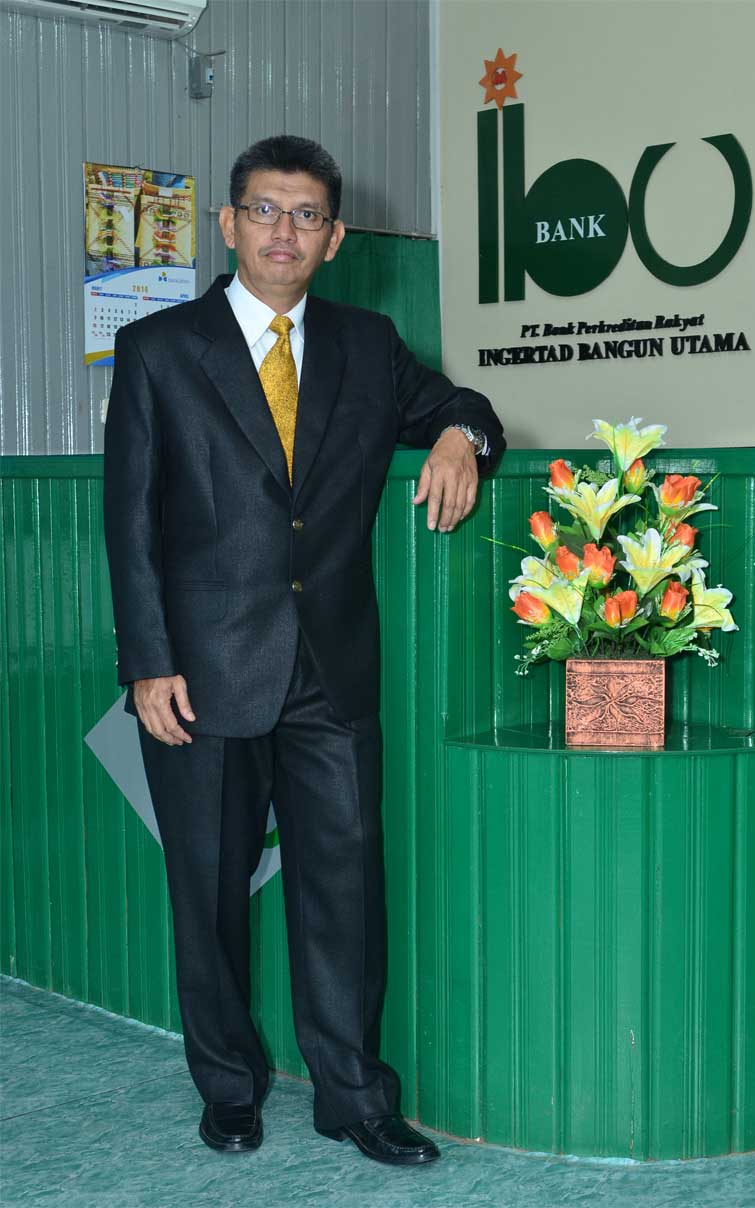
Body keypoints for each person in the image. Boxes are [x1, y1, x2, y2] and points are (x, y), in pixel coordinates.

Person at [103, 135, 505, 1166]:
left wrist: (458, 437)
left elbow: (463, 407)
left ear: (334, 238)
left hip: (331, 671)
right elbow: (131, 520)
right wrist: (147, 662)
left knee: (345, 892)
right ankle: (229, 1086)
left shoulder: (368, 345)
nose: (284, 231)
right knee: (208, 892)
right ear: (229, 224)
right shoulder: (158, 350)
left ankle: (354, 1096)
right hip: (197, 675)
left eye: (307, 215)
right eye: (265, 210)